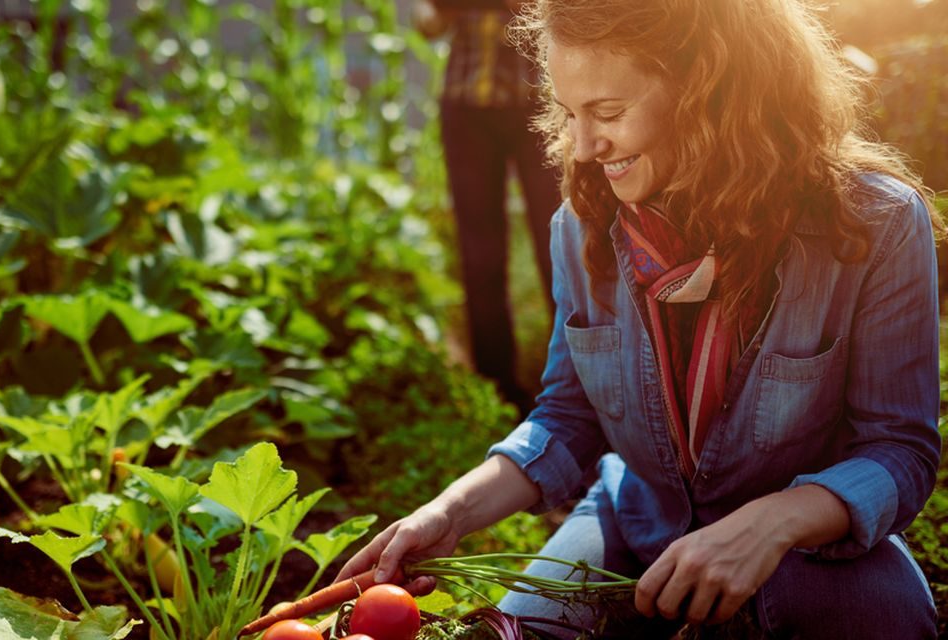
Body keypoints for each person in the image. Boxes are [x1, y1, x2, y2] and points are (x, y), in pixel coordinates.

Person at [338, 0, 943, 637]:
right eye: (571, 114)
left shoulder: (874, 225)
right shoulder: (581, 226)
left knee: (890, 621)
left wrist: (774, 522)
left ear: (710, 92)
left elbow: (899, 451)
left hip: (806, 548)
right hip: (635, 524)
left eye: (607, 112)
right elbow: (567, 418)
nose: (583, 146)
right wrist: (449, 513)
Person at [414, 0, 563, 413]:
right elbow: (426, 23)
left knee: (559, 243)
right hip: (467, 107)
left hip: (539, 101)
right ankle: (498, 391)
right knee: (480, 256)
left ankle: (575, 382)